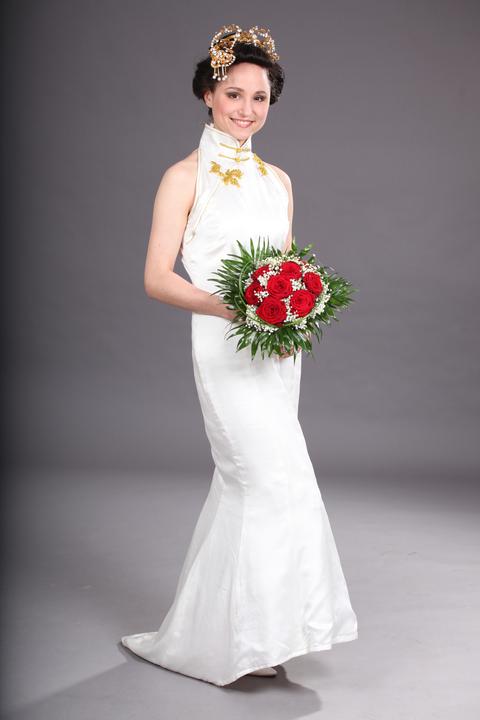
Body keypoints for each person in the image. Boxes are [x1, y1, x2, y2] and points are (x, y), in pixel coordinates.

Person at [121, 24, 358, 686]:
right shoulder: (182, 177)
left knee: (262, 483)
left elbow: (287, 268)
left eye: (260, 97)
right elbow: (157, 278)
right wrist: (233, 309)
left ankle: (243, 633)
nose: (247, 109)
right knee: (262, 479)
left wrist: (299, 307)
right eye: (234, 94)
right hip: (224, 341)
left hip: (276, 352)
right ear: (207, 94)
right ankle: (249, 638)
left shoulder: (279, 180)